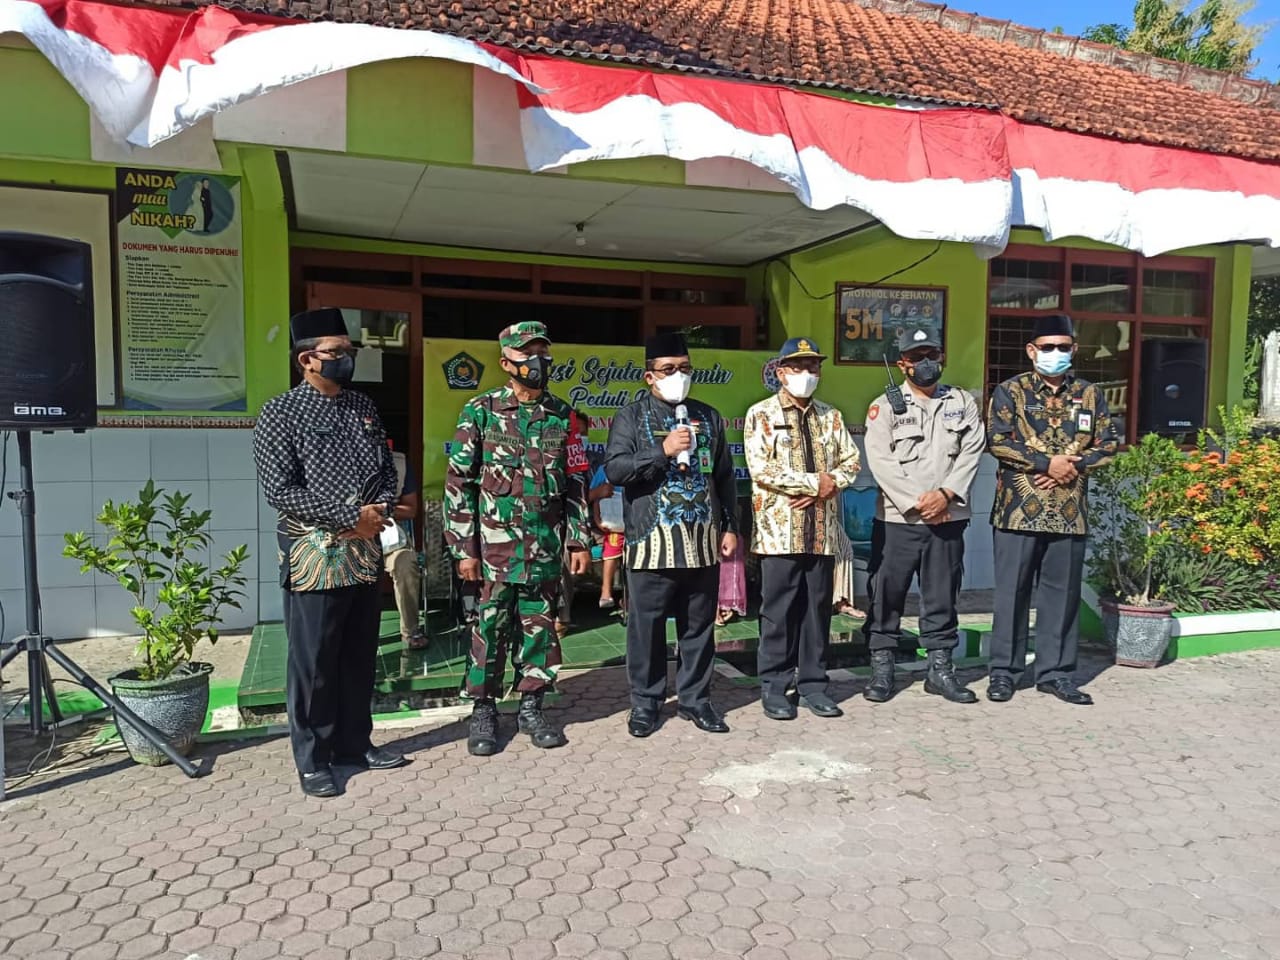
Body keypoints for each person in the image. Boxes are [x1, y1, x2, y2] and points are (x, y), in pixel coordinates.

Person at [253, 307, 409, 799]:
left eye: (349, 350)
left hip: (363, 552)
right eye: (337, 351)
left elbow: (386, 468)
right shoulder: (280, 412)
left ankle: (354, 745)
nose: (347, 358)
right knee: (315, 662)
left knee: (359, 655)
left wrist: (378, 509)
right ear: (307, 360)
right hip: (314, 558)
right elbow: (279, 490)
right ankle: (313, 759)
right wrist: (348, 517)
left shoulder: (363, 406)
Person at [444, 321, 591, 755]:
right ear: (507, 362)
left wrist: (578, 539)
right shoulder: (481, 411)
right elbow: (459, 483)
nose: (538, 362)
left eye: (543, 353)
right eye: (528, 354)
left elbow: (576, 481)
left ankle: (532, 706)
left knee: (539, 628)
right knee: (489, 628)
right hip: (494, 550)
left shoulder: (563, 415)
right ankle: (484, 710)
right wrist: (464, 548)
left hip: (543, 547)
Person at [604, 331, 739, 738]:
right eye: (667, 369)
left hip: (702, 543)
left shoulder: (709, 416)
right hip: (651, 544)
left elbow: (724, 476)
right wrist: (661, 451)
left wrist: (730, 526)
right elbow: (616, 470)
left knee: (698, 629)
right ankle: (646, 703)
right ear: (649, 376)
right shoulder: (630, 417)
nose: (677, 375)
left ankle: (696, 700)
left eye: (683, 368)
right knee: (646, 629)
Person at [987, 313, 1119, 705]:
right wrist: (1047, 464)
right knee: (1012, 594)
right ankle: (1004, 673)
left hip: (1068, 511)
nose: (1055, 353)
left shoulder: (1090, 394)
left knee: (1061, 598)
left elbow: (1108, 445)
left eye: (1063, 346)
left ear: (1074, 349)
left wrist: (1070, 467)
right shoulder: (1010, 392)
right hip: (1017, 512)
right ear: (1031, 350)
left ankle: (1056, 674)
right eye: (1048, 347)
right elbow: (998, 441)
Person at [861, 326, 986, 704]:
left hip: (948, 517)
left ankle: (940, 670)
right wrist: (919, 504)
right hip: (899, 520)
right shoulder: (884, 407)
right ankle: (883, 670)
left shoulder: (961, 402)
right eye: (917, 357)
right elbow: (880, 461)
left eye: (932, 354)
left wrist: (945, 496)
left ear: (942, 357)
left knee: (942, 595)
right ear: (902, 364)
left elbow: (973, 450)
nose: (926, 363)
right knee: (886, 595)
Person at [744, 337, 861, 720]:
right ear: (781, 373)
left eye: (814, 367)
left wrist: (830, 484)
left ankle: (813, 685)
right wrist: (815, 485)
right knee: (778, 612)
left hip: (821, 533)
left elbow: (851, 461)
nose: (808, 374)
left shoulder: (831, 416)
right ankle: (775, 686)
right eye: (799, 367)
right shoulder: (761, 414)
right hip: (780, 534)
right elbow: (761, 468)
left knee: (817, 611)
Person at [384, 442, 427, 651]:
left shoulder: (399, 463)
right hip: (354, 538)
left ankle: (411, 631)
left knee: (406, 561)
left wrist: (381, 510)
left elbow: (410, 509)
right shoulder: (343, 459)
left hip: (391, 538)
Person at [589, 464, 626, 610]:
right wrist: (598, 520)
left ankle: (628, 597)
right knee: (611, 552)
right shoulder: (604, 470)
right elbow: (596, 498)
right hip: (614, 525)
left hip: (636, 524)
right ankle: (606, 591)